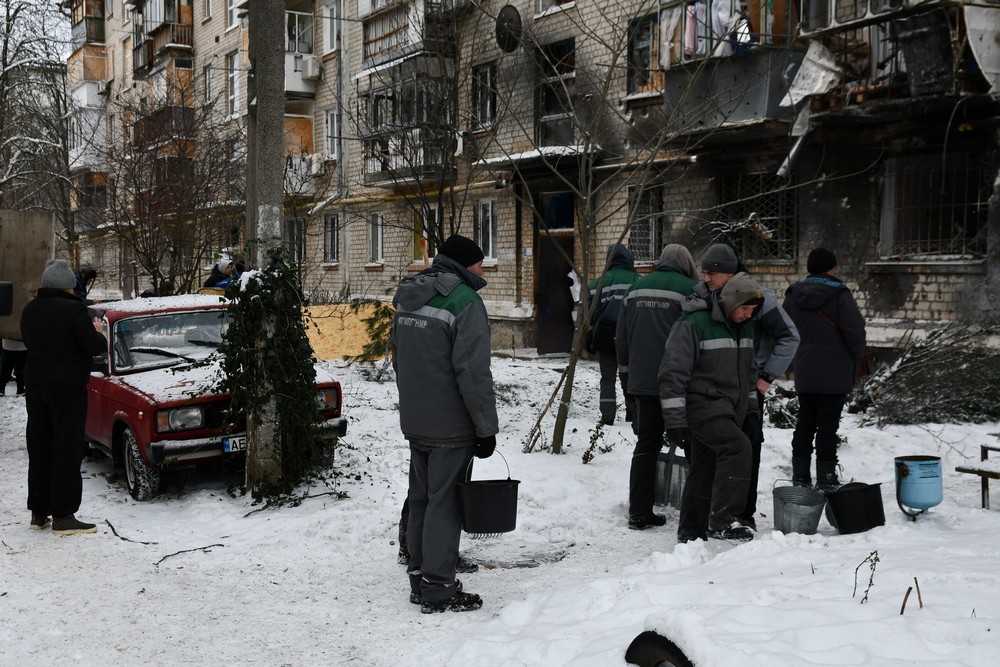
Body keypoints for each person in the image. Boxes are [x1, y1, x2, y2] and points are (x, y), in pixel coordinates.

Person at [390, 234, 498, 614]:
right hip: (451, 426)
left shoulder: (408, 297)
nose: (483, 270)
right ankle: (438, 586)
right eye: (480, 264)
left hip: (416, 421)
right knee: (445, 504)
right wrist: (486, 427)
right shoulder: (465, 302)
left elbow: (399, 360)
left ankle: (421, 577)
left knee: (421, 499)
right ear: (467, 265)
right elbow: (473, 374)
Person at [660, 272, 764, 543]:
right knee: (737, 447)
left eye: (752, 311)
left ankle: (690, 532)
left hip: (729, 409)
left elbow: (749, 375)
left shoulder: (745, 328)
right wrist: (675, 421)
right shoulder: (694, 323)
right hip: (702, 405)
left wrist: (752, 411)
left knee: (703, 467)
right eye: (744, 308)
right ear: (730, 302)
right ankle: (723, 519)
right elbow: (672, 373)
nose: (747, 315)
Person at [20, 259, 107, 535]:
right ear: (68, 284)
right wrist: (99, 332)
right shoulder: (75, 310)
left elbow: (27, 341)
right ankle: (64, 515)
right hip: (67, 387)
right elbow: (93, 347)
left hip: (35, 385)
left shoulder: (30, 309)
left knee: (40, 445)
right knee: (66, 448)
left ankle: (38, 511)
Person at [615, 244, 699, 530]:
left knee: (646, 445)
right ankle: (696, 514)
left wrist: (626, 380)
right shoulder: (693, 288)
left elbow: (621, 341)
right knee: (692, 444)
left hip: (643, 382)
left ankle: (639, 512)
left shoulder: (635, 289)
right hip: (681, 382)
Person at [783, 248, 867, 491]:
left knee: (805, 421)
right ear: (831, 268)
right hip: (835, 370)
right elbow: (855, 331)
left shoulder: (793, 295)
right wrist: (856, 356)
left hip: (806, 369)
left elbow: (784, 329)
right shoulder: (840, 294)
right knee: (828, 426)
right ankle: (826, 478)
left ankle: (800, 477)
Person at [587, 244, 640, 425]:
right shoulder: (638, 280)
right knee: (630, 374)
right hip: (630, 336)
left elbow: (589, 315)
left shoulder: (596, 284)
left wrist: (589, 337)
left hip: (605, 335)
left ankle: (607, 416)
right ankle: (632, 412)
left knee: (607, 377)